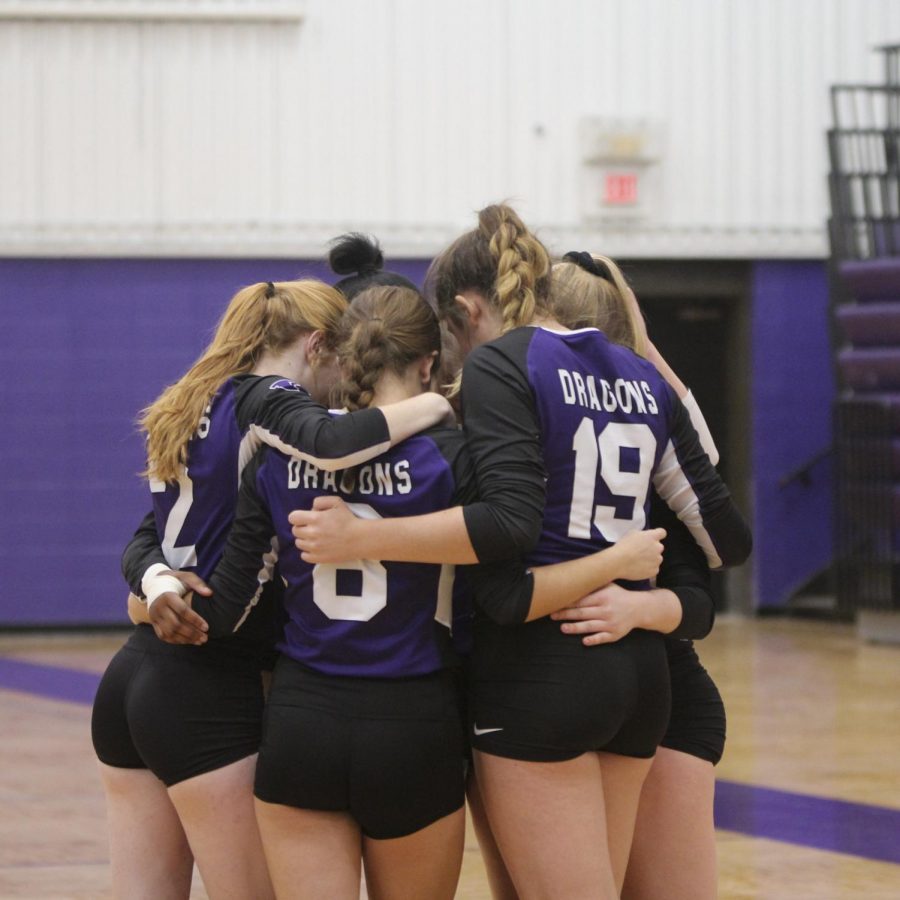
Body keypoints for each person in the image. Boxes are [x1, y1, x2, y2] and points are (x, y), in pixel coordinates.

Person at [289, 203, 752, 898]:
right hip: (634, 678)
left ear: (468, 313)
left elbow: (505, 548)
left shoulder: (496, 377)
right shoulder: (635, 377)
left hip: (536, 672)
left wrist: (363, 535)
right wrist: (633, 580)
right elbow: (724, 541)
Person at [91, 278, 454, 900]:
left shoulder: (194, 396)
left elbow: (147, 532)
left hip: (135, 678)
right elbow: (334, 443)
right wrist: (438, 405)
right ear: (316, 346)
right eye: (340, 359)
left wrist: (151, 584)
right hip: (207, 689)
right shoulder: (271, 399)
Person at [547, 251, 725, 900]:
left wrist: (639, 609)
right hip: (560, 695)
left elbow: (702, 597)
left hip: (665, 692)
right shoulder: (529, 429)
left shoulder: (656, 443)